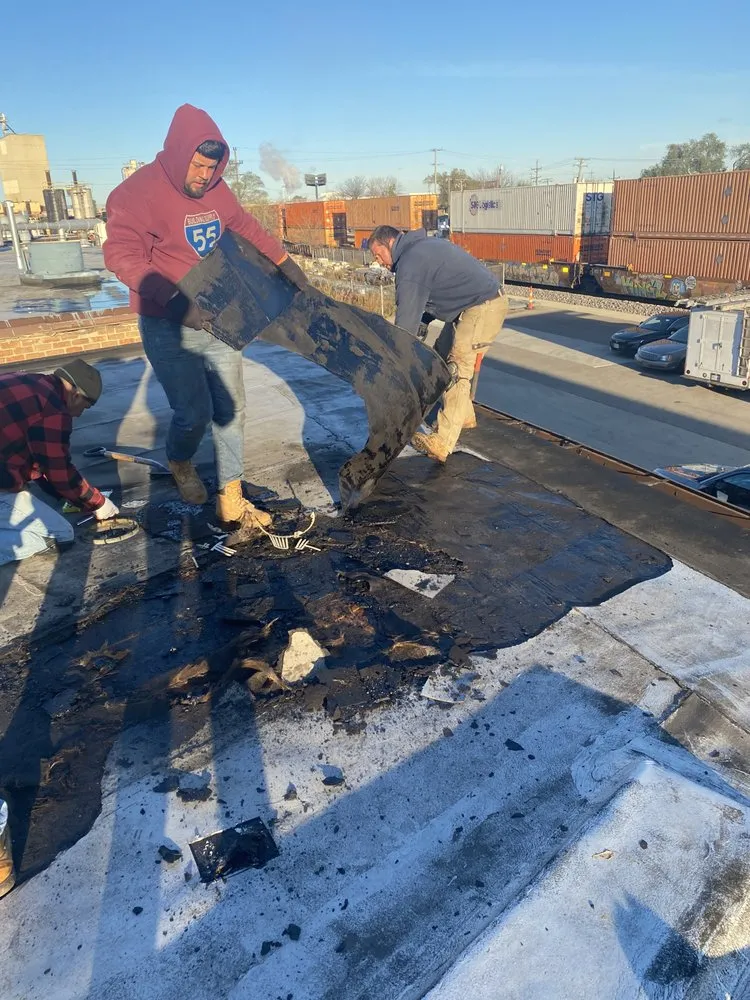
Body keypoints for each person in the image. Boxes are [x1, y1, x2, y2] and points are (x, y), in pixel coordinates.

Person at [104, 104, 308, 534]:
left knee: (231, 407)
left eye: (212, 167)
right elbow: (122, 256)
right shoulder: (135, 194)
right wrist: (175, 302)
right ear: (179, 154)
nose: (204, 175)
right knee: (192, 412)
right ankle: (179, 460)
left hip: (218, 315)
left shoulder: (217, 189)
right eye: (198, 165)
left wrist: (284, 261)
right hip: (168, 323)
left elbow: (246, 228)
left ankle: (231, 495)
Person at [368, 225, 508, 462]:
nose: (378, 262)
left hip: (483, 306)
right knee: (439, 361)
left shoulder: (411, 263)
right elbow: (434, 293)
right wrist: (422, 323)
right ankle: (463, 415)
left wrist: (394, 365)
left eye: (378, 255)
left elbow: (404, 326)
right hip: (468, 307)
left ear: (389, 243)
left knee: (456, 368)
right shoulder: (419, 250)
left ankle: (442, 442)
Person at [0, 359, 118, 566]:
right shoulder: (53, 408)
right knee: (57, 536)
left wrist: (61, 494)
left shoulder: (28, 382)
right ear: (75, 394)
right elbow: (58, 468)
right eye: (85, 406)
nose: (81, 413)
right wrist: (97, 502)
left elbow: (37, 460)